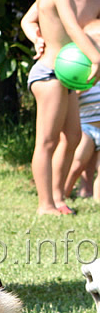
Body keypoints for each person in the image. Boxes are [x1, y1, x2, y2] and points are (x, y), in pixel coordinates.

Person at [21, 0, 100, 215]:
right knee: (47, 141)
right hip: (49, 73)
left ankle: (58, 198)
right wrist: (96, 58)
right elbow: (72, 27)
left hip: (68, 75)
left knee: (73, 136)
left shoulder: (95, 0)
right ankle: (45, 204)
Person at [65, 20, 100, 201]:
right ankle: (64, 192)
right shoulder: (83, 71)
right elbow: (72, 97)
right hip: (85, 127)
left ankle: (96, 200)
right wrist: (82, 89)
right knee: (76, 164)